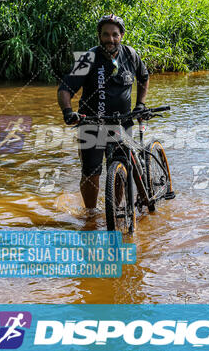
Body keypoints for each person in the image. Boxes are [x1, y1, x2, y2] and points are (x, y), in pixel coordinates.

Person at [57, 14, 149, 211]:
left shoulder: (131, 55)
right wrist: (67, 112)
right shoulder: (88, 58)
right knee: (91, 173)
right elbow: (65, 89)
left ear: (122, 35)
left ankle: (115, 212)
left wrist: (140, 104)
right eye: (106, 34)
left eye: (115, 34)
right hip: (91, 123)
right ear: (99, 36)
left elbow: (144, 78)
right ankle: (90, 215)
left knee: (121, 169)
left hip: (122, 123)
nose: (110, 39)